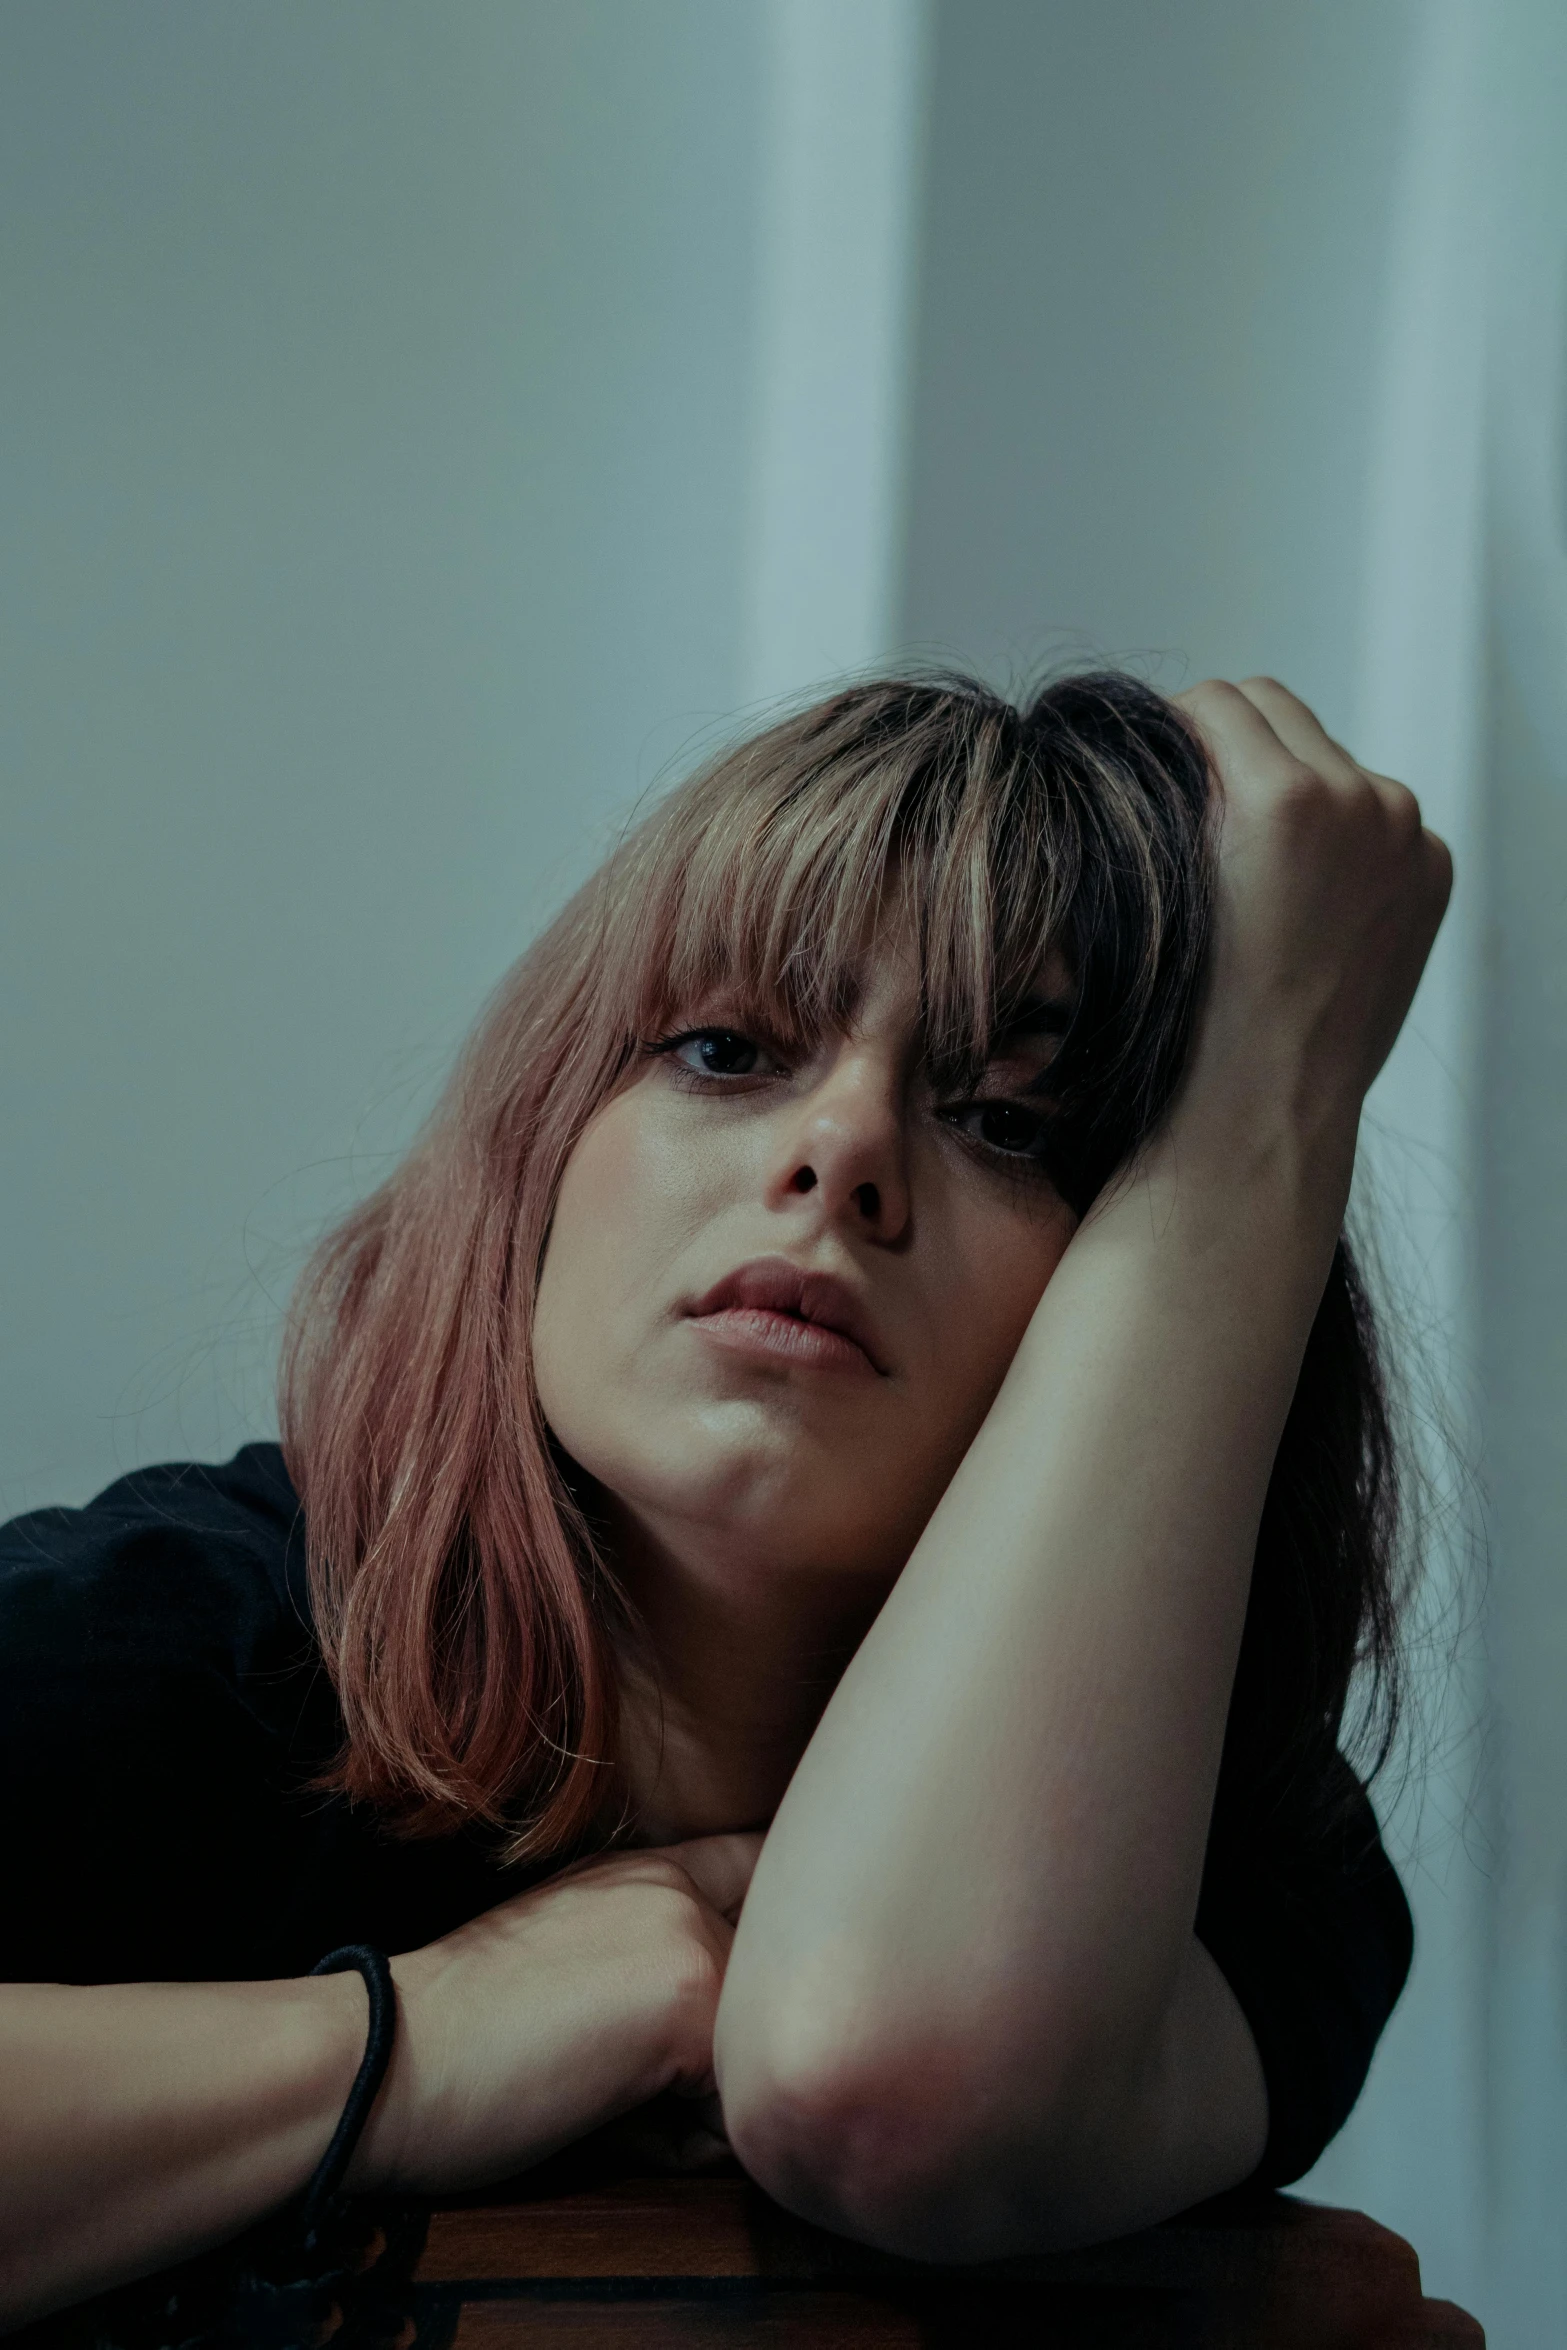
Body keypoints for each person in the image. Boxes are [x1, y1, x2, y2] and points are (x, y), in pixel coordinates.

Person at [0, 668, 1449, 2328]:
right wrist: (415, 2040)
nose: (839, 1151)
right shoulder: (165, 1645)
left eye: (1006, 1120)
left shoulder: (1234, 1855)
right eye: (723, 1047)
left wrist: (1260, 1105)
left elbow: (882, 2081)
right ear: (538, 1152)